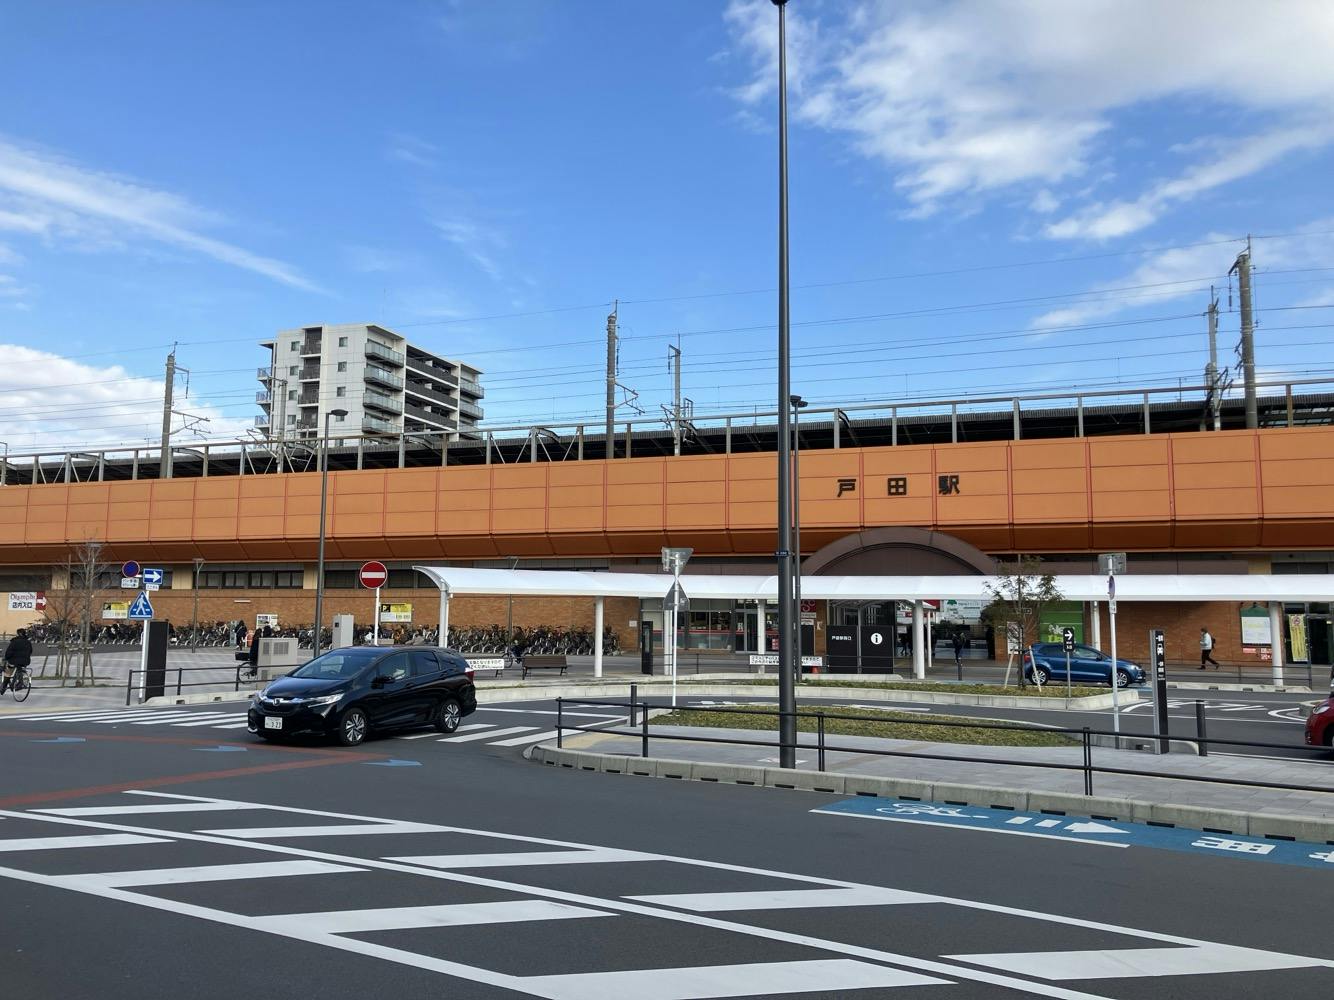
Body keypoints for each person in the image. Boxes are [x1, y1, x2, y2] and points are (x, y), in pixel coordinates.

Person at [2, 627, 33, 695]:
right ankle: (19, 681)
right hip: (25, 661)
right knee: (19, 667)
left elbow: (9, 652)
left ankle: (4, 686)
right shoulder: (28, 642)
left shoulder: (14, 642)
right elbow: (30, 651)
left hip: (14, 661)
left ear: (18, 633)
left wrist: (7, 658)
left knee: (8, 671)